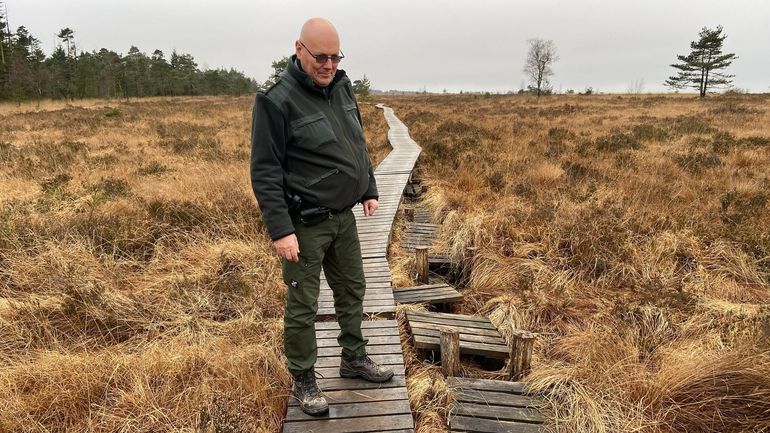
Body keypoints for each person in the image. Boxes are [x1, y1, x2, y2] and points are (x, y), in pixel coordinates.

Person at [250, 17, 394, 416]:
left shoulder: (342, 86)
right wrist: (281, 230)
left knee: (353, 289)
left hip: (344, 217)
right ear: (299, 50)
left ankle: (354, 357)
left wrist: (368, 187)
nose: (328, 65)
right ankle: (304, 379)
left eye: (335, 57)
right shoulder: (275, 100)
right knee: (304, 305)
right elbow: (264, 170)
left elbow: (355, 140)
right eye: (321, 57)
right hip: (304, 225)